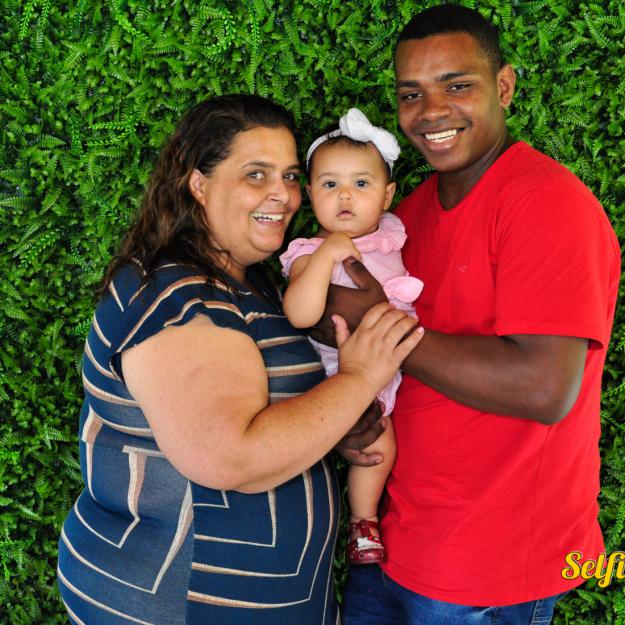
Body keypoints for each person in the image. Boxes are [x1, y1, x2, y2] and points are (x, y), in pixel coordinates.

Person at [56, 94, 423, 625]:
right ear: (198, 184)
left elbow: (278, 412)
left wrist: (332, 425)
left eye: (291, 176)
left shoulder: (249, 285)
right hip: (175, 601)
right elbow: (231, 458)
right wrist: (362, 378)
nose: (283, 194)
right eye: (256, 174)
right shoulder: (175, 296)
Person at [311, 6, 621, 625]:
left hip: (489, 568)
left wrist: (379, 324)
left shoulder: (545, 204)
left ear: (503, 86)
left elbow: (542, 388)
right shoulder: (401, 220)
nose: (432, 111)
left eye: (457, 85)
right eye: (411, 94)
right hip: (394, 541)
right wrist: (353, 415)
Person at [279, 108, 424, 565]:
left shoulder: (392, 237)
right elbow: (300, 314)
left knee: (388, 443)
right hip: (336, 370)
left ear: (387, 196)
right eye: (330, 184)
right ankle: (362, 524)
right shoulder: (308, 252)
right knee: (373, 442)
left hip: (387, 365)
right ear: (310, 195)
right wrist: (328, 257)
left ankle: (365, 520)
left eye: (361, 184)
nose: (345, 195)